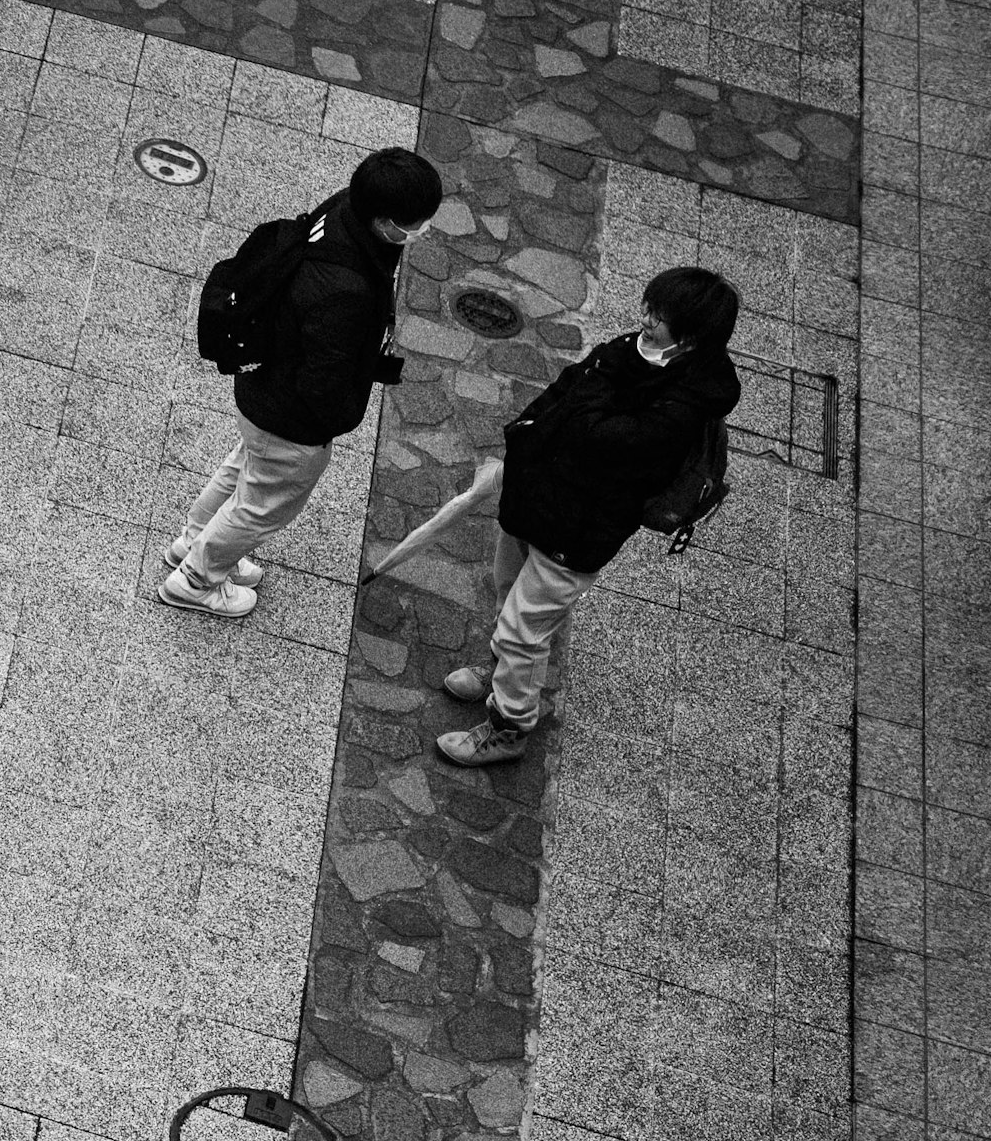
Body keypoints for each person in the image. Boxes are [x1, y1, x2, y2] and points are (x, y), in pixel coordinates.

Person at [430, 264, 743, 767]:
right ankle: (500, 670)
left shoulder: (682, 407)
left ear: (689, 337)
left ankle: (508, 728)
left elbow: (601, 436)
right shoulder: (633, 351)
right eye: (649, 308)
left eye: (659, 317)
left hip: (577, 532)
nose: (645, 320)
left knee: (523, 629)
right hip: (538, 499)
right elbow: (567, 389)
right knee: (508, 592)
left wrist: (588, 397)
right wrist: (525, 433)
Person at [160, 146, 442, 618]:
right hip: (291, 416)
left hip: (265, 390)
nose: (420, 232)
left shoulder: (344, 207)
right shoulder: (343, 291)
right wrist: (339, 421)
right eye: (413, 225)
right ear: (383, 222)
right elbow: (324, 379)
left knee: (244, 471)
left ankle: (192, 544)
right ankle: (195, 580)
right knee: (261, 505)